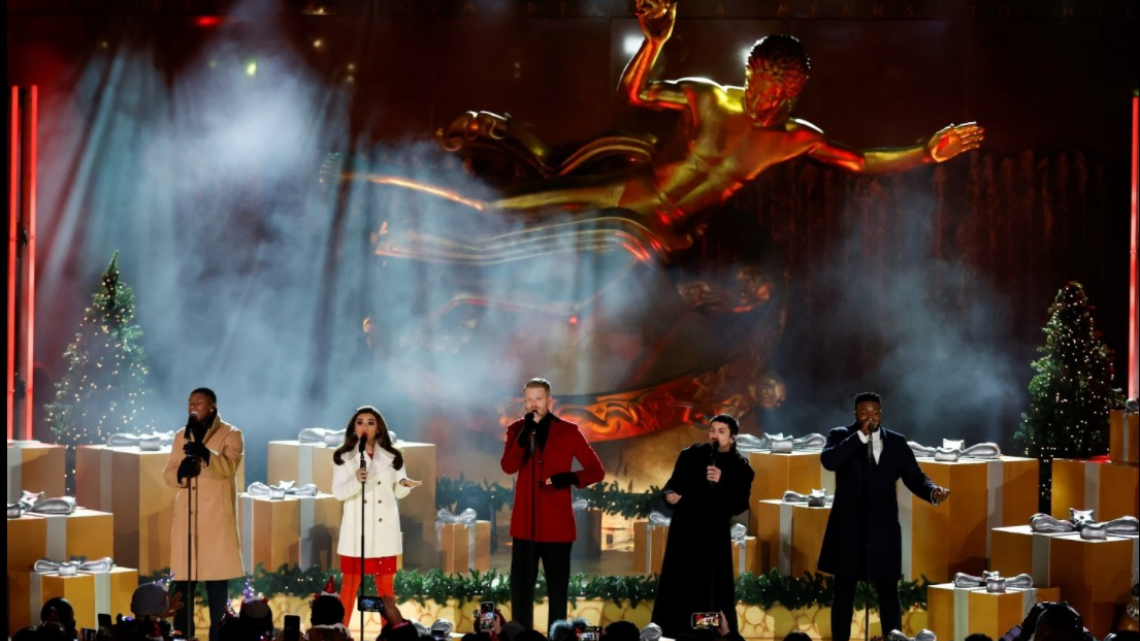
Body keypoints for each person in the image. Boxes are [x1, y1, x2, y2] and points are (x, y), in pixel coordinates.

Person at [368, 0, 984, 265]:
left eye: (787, 86)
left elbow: (863, 163)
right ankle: (387, 183)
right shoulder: (709, 98)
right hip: (627, 194)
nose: (773, 95)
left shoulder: (796, 137)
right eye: (768, 79)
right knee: (498, 210)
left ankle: (415, 244)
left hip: (663, 237)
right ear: (751, 71)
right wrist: (656, 41)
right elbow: (633, 94)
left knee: (549, 266)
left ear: (799, 89)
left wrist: (928, 151)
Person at [817, 392, 951, 641]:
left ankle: (893, 638)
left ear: (881, 413)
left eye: (875, 412)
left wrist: (932, 491)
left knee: (888, 592)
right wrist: (859, 437)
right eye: (865, 413)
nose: (871, 417)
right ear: (855, 415)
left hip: (884, 530)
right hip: (848, 530)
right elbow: (830, 461)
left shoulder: (897, 442)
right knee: (844, 593)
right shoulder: (840, 436)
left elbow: (914, 475)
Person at [500, 378, 606, 630]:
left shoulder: (568, 430)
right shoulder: (517, 430)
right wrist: (525, 434)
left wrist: (568, 478)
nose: (533, 404)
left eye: (538, 399)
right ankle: (521, 636)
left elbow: (596, 470)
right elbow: (508, 466)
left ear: (550, 401)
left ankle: (557, 635)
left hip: (557, 526)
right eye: (528, 399)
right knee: (521, 589)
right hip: (525, 525)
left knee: (557, 590)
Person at [649, 414, 754, 638]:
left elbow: (738, 506)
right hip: (684, 533)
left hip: (713, 537)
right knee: (679, 584)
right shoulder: (691, 455)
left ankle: (708, 631)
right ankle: (676, 630)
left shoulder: (740, 467)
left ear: (733, 438)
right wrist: (670, 496)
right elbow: (671, 486)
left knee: (712, 588)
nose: (714, 435)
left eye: (721, 431)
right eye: (712, 430)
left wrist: (722, 481)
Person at [162, 387, 245, 641]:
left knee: (217, 591)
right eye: (189, 402)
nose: (192, 406)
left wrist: (206, 455)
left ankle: (218, 636)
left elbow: (229, 468)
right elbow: (168, 474)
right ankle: (182, 635)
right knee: (183, 590)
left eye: (198, 402)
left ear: (213, 407)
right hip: (188, 522)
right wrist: (181, 472)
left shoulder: (231, 434)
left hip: (215, 524)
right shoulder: (181, 436)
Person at [331, 406, 422, 626]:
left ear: (378, 427)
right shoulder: (344, 457)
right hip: (356, 532)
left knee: (385, 588)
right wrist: (355, 480)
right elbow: (338, 492)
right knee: (350, 584)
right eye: (360, 422)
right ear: (354, 427)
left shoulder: (393, 456)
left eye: (370, 422)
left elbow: (398, 491)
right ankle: (340, 631)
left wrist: (404, 485)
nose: (365, 426)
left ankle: (389, 633)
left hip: (383, 530)